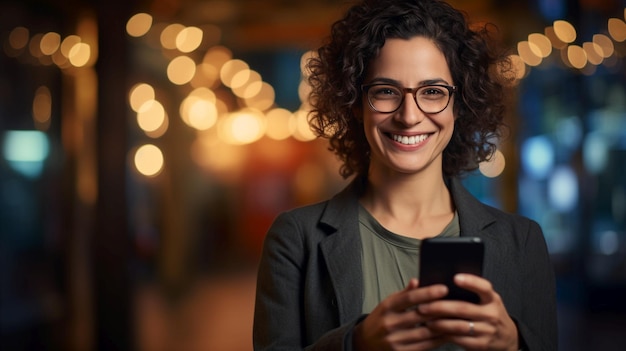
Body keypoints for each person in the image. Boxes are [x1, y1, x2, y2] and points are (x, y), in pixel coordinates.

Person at [253, 0, 558, 350]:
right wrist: (358, 343)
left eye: (432, 92)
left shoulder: (521, 242)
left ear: (459, 106)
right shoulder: (295, 239)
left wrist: (512, 344)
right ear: (354, 103)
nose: (409, 115)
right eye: (385, 91)